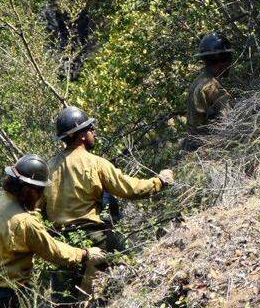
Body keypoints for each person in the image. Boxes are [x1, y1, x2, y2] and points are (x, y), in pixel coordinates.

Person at [43, 106, 173, 304]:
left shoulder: (48, 167)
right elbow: (129, 189)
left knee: (62, 301)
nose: (94, 131)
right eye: (91, 128)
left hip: (59, 243)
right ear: (82, 136)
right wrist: (159, 181)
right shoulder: (95, 163)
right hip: (94, 238)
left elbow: (39, 209)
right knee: (129, 269)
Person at [0, 154, 103, 308]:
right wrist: (85, 254)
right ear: (29, 190)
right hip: (10, 294)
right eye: (40, 190)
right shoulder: (25, 222)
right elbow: (53, 252)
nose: (42, 195)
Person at [183, 33, 232, 151]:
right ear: (222, 60)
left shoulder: (198, 81)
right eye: (229, 58)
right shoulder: (212, 87)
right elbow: (229, 123)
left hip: (192, 146)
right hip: (206, 148)